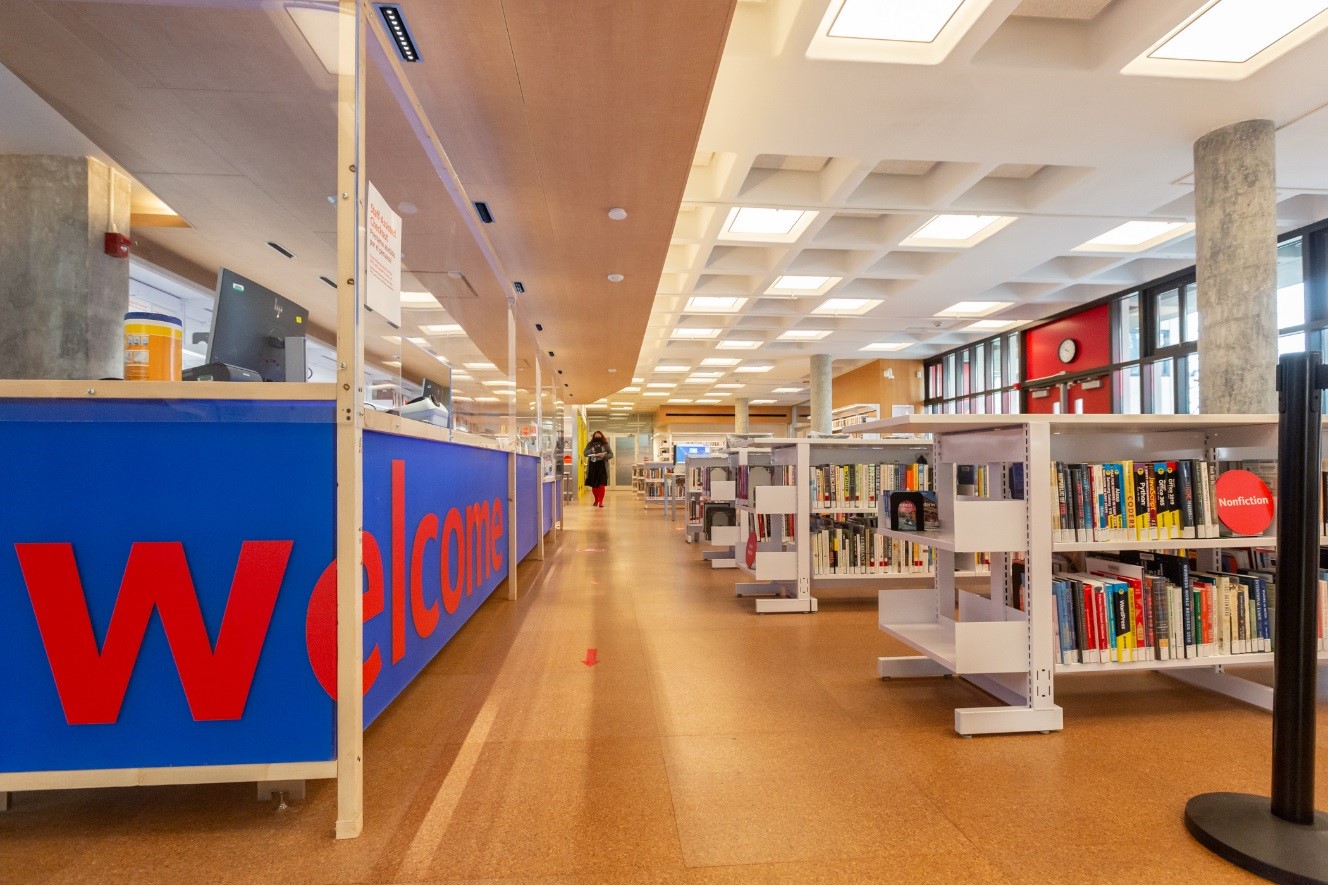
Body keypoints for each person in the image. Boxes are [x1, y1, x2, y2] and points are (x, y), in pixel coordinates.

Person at [584, 431, 613, 507]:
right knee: (594, 485)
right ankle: (596, 500)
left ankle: (601, 501)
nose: (597, 438)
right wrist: (591, 451)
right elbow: (585, 453)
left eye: (599, 436)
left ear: (602, 436)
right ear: (593, 437)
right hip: (593, 466)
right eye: (596, 436)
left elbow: (611, 455)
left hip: (602, 466)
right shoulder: (590, 444)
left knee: (601, 484)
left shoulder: (605, 444)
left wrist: (603, 455)